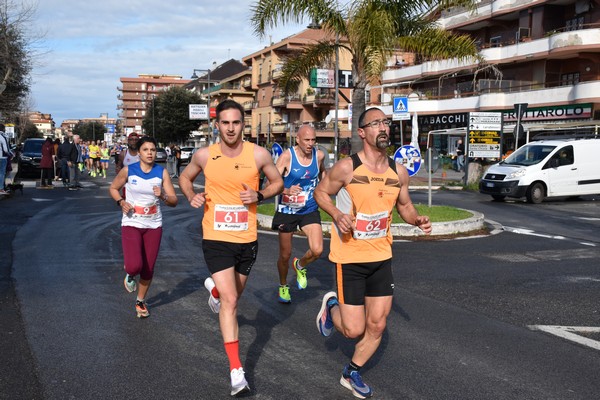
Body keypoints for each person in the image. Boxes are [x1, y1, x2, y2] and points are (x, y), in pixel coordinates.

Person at [313, 107, 432, 399]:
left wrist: (416, 219)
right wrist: (336, 213)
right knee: (353, 330)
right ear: (362, 132)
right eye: (376, 123)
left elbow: (404, 206)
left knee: (377, 323)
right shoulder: (346, 168)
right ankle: (331, 307)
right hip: (350, 258)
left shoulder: (397, 171)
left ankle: (351, 372)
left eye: (385, 122)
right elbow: (320, 192)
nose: (383, 127)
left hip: (381, 257)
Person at [178, 99, 283, 397]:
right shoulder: (205, 155)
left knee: (232, 294)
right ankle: (237, 370)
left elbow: (278, 182)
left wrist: (260, 193)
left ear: (243, 124)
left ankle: (214, 290)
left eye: (236, 122)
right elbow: (185, 177)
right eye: (225, 123)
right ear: (217, 125)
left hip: (246, 239)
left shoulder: (258, 154)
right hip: (215, 237)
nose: (231, 128)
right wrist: (191, 195)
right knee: (232, 302)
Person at [109, 136, 177, 318]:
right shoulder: (128, 170)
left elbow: (174, 200)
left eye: (153, 150)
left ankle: (140, 301)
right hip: (132, 221)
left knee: (148, 267)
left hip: (154, 223)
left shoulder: (161, 172)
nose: (149, 153)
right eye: (145, 150)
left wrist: (162, 194)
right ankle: (130, 274)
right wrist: (121, 202)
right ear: (138, 152)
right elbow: (113, 188)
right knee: (134, 265)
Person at [269, 125, 325, 303]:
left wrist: (323, 188)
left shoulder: (319, 156)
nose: (310, 144)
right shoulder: (287, 157)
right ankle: (284, 285)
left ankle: (300, 265)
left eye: (313, 140)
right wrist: (286, 189)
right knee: (285, 255)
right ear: (298, 139)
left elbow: (323, 174)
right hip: (288, 211)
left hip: (309, 209)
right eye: (307, 140)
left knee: (317, 250)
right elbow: (271, 185)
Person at [0, 124, 13, 194]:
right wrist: (11, 154)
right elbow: (6, 149)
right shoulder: (3, 136)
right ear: (2, 129)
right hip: (2, 157)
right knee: (2, 173)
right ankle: (1, 189)